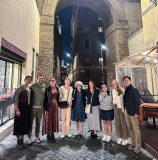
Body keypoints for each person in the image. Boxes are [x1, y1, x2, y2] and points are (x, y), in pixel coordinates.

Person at [123, 76, 141, 153]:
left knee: (135, 129)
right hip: (127, 111)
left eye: (127, 80)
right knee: (130, 128)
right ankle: (133, 143)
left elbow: (137, 102)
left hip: (133, 112)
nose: (126, 81)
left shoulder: (134, 89)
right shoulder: (126, 90)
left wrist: (137, 112)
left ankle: (138, 146)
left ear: (130, 81)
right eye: (125, 80)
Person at [13, 76, 32, 150]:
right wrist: (17, 110)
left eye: (30, 80)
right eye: (27, 79)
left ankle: (22, 141)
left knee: (24, 125)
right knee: (18, 125)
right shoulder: (19, 88)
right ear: (24, 80)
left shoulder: (29, 89)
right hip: (20, 108)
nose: (28, 81)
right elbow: (15, 100)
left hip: (26, 109)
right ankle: (18, 142)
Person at [28, 75, 46, 144]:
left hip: (41, 108)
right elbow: (26, 89)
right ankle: (29, 138)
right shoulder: (33, 85)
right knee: (31, 123)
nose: (41, 79)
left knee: (38, 123)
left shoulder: (44, 86)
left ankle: (37, 137)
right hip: (33, 107)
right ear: (37, 79)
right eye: (39, 78)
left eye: (42, 78)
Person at [112, 80, 129, 145]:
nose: (114, 85)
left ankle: (125, 138)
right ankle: (120, 137)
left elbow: (125, 100)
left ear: (117, 84)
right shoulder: (113, 91)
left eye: (115, 84)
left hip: (121, 108)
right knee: (117, 123)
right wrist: (113, 103)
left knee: (123, 123)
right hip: (116, 108)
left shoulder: (122, 90)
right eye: (113, 84)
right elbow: (113, 99)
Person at [43, 77, 59, 143]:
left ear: (55, 81)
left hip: (55, 107)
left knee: (54, 120)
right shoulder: (47, 89)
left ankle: (52, 135)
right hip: (49, 106)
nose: (53, 81)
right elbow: (45, 99)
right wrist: (45, 107)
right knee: (48, 121)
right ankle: (48, 136)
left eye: (54, 80)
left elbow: (58, 97)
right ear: (50, 82)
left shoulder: (57, 88)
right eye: (51, 80)